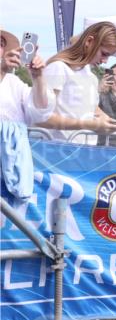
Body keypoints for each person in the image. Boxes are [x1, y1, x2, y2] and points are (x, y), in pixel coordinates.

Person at [37, 21, 116, 141]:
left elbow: (88, 108)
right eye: (104, 54)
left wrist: (104, 118)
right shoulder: (58, 68)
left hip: (83, 150)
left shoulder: (91, 77)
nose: (105, 61)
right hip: (57, 149)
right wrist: (90, 125)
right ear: (89, 41)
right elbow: (41, 117)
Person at [1, 29, 54, 204]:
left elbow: (40, 111)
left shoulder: (14, 83)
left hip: (10, 176)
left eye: (1, 44)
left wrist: (38, 78)